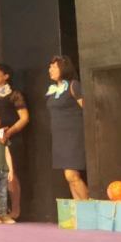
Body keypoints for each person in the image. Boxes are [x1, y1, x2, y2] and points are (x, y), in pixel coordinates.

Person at [0, 63, 29, 218]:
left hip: (10, 139)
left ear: (6, 76)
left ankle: (15, 209)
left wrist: (8, 133)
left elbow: (24, 118)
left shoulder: (14, 94)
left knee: (10, 174)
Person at [46, 55, 88, 199]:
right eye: (50, 67)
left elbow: (87, 109)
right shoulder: (53, 89)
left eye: (54, 67)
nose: (50, 69)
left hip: (74, 135)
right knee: (68, 177)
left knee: (72, 175)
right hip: (60, 137)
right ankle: (79, 209)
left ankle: (88, 208)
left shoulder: (73, 85)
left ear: (64, 69)